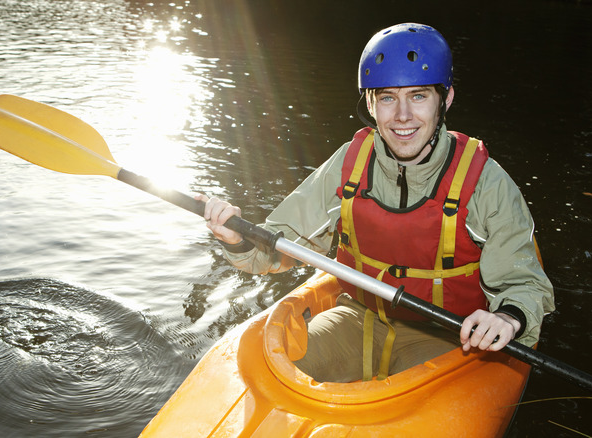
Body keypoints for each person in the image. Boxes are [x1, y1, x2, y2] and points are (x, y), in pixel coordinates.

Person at [195, 23, 555, 383]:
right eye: (386, 98)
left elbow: (525, 285)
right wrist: (237, 239)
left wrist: (507, 318)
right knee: (263, 374)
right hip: (355, 318)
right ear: (370, 102)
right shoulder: (348, 164)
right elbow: (275, 245)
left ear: (445, 100)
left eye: (418, 96)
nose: (402, 116)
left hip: (450, 336)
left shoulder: (486, 184)